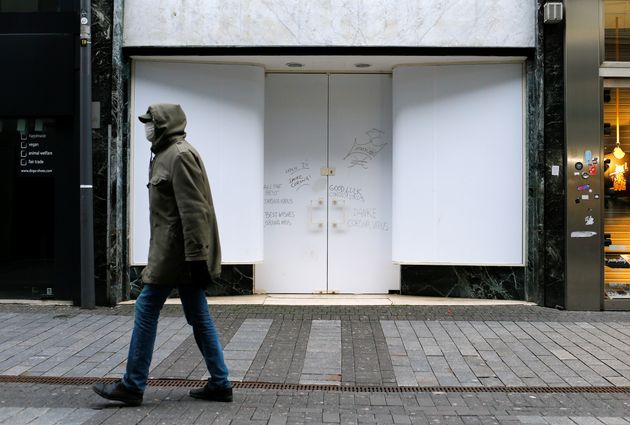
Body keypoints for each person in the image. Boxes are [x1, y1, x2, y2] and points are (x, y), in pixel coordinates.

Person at [92, 103, 232, 406]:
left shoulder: (180, 156)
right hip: (173, 254)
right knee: (198, 315)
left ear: (165, 124)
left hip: (177, 257)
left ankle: (132, 385)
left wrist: (197, 259)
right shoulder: (164, 154)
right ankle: (220, 383)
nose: (147, 127)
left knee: (146, 309)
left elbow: (194, 211)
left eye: (151, 122)